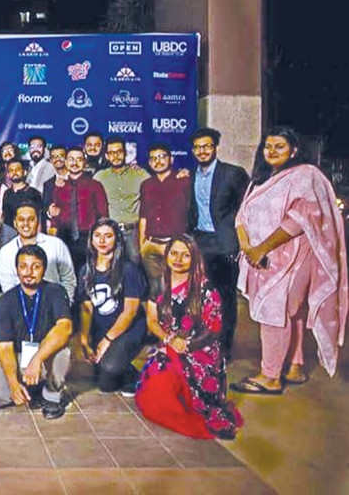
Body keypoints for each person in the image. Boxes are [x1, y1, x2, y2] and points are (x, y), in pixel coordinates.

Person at [231, 126, 348, 394]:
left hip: (292, 256)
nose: (272, 151)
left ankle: (270, 376)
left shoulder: (306, 175)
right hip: (259, 259)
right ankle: (295, 366)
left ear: (293, 151)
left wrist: (263, 248)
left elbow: (300, 218)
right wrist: (248, 248)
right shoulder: (260, 180)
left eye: (279, 146)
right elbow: (241, 217)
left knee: (274, 312)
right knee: (290, 313)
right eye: (268, 146)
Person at [136, 235, 243, 440]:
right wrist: (170, 340)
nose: (178, 259)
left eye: (185, 255)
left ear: (195, 258)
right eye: (174, 254)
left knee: (195, 402)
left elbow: (214, 329)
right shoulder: (159, 285)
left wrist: (187, 345)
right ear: (167, 256)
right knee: (155, 386)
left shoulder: (206, 290)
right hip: (170, 346)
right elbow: (152, 322)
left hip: (201, 351)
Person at [0, 245, 72, 419]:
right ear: (16, 269)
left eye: (35, 266)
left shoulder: (56, 292)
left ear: (44, 269)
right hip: (19, 358)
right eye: (23, 266)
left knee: (64, 355)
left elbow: (65, 328)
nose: (29, 272)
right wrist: (13, 384)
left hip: (45, 357)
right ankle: (29, 390)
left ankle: (51, 395)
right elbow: (5, 347)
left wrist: (37, 360)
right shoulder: (6, 301)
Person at [186, 128, 250, 359]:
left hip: (224, 243)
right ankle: (205, 341)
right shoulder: (190, 176)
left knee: (225, 297)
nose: (202, 151)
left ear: (215, 147)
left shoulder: (233, 174)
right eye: (197, 147)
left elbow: (247, 207)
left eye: (207, 146)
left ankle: (224, 348)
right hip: (200, 242)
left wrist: (240, 241)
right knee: (201, 296)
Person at [77, 219, 147, 395]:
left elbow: (130, 312)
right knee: (105, 384)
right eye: (97, 236)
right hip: (102, 329)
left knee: (109, 368)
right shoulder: (85, 271)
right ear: (91, 239)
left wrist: (107, 340)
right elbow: (86, 308)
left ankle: (134, 376)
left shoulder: (129, 270)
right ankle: (119, 367)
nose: (102, 240)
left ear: (117, 239)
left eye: (108, 236)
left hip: (127, 330)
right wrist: (84, 340)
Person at [139, 142, 191, 296]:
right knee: (155, 289)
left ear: (171, 159)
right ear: (149, 163)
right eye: (153, 158)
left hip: (175, 245)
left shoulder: (184, 181)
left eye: (162, 157)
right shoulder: (146, 184)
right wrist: (142, 244)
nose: (158, 161)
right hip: (151, 245)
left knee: (175, 287)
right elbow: (143, 216)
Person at [0, 203, 76, 303]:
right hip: (21, 308)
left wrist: (64, 305)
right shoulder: (6, 252)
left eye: (31, 219)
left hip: (54, 306)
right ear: (15, 223)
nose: (26, 223)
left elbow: (69, 279)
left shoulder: (56, 245)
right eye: (21, 219)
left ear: (38, 222)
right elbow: (8, 288)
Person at [48, 147, 109, 271]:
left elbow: (103, 215)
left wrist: (99, 239)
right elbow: (55, 218)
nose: (74, 163)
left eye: (79, 159)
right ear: (65, 162)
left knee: (89, 273)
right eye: (71, 159)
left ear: (84, 163)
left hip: (88, 238)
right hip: (65, 237)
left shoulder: (95, 186)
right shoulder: (59, 187)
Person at [93, 137, 149, 264]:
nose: (116, 156)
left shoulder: (140, 175)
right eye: (111, 153)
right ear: (106, 156)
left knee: (136, 267)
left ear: (125, 153)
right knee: (111, 267)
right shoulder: (99, 177)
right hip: (111, 232)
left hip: (134, 232)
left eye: (119, 152)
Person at [1, 159, 42, 225]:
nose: (14, 172)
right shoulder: (7, 193)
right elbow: (4, 217)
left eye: (17, 169)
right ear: (8, 175)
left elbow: (39, 217)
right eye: (11, 170)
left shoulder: (34, 193)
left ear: (25, 172)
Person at [41, 145, 69, 213]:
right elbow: (45, 209)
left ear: (67, 158)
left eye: (61, 156)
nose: (58, 159)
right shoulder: (48, 184)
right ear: (51, 160)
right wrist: (50, 212)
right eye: (54, 157)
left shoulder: (79, 178)